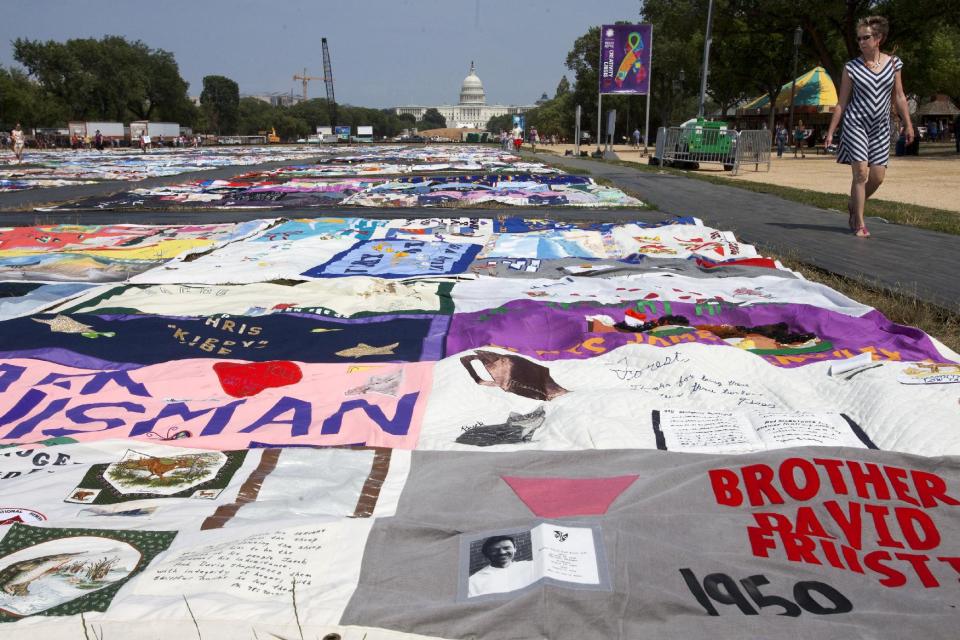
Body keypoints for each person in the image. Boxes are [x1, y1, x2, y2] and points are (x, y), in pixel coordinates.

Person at [826, 15, 913, 238]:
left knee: (878, 176)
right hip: (856, 123)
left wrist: (908, 124)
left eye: (866, 37)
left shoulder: (894, 64)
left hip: (881, 127)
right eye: (859, 39)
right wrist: (831, 130)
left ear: (878, 38)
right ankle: (859, 222)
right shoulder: (851, 67)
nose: (861, 42)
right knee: (861, 173)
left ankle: (854, 203)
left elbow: (900, 96)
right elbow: (842, 102)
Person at [468, 535, 536, 597]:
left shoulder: (531, 566)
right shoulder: (474, 581)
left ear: (515, 549)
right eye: (495, 550)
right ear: (487, 554)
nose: (502, 552)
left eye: (506, 548)